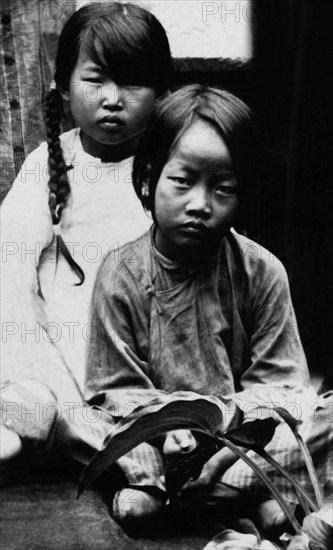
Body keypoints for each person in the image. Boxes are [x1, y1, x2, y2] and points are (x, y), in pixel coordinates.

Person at [83, 85, 331, 524]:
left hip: (244, 443)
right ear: (148, 177)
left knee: (323, 418)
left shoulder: (262, 270)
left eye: (223, 188)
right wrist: (167, 425)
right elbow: (115, 388)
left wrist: (230, 438)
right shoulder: (118, 272)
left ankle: (187, 497)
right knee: (77, 423)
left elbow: (283, 384)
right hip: (160, 442)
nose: (199, 204)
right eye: (182, 181)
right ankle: (233, 494)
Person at [0, 2, 172, 459]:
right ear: (62, 85)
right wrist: (59, 389)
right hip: (57, 354)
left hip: (143, 366)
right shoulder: (47, 166)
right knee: (31, 408)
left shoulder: (171, 174)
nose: (112, 98)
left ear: (161, 91)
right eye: (95, 80)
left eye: (133, 82)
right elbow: (11, 282)